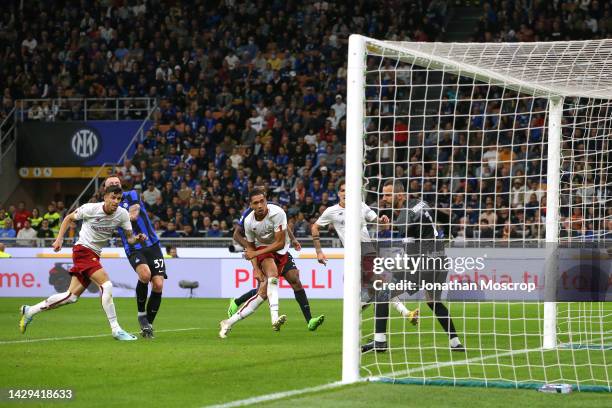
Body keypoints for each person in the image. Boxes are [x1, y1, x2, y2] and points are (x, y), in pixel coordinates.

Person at [19, 184, 146, 340]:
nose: (116, 201)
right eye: (113, 198)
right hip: (83, 250)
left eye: (119, 199)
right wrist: (59, 239)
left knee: (70, 297)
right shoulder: (91, 209)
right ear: (105, 197)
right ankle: (116, 329)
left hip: (94, 254)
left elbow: (130, 239)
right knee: (107, 285)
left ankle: (30, 311)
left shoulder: (122, 215)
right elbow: (68, 218)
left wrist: (137, 239)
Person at [361, 180, 464, 353]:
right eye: (383, 194)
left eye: (387, 194)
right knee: (433, 302)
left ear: (400, 195)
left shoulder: (405, 215)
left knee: (382, 293)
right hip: (440, 261)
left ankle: (379, 342)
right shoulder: (420, 203)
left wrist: (387, 228)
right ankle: (456, 342)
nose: (384, 198)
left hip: (423, 264)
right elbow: (444, 217)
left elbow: (407, 237)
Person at [219, 189, 324, 338]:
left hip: (280, 249)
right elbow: (249, 245)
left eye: (262, 201)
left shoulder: (277, 211)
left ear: (266, 200)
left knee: (271, 290)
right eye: (256, 203)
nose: (260, 205)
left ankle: (228, 322)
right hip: (263, 250)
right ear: (251, 205)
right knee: (272, 276)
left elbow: (281, 242)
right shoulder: (248, 220)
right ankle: (275, 318)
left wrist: (293, 240)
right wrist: (255, 268)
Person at [311, 179, 419, 322]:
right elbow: (314, 227)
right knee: (375, 289)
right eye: (343, 190)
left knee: (379, 285)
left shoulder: (361, 206)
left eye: (348, 190)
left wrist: (383, 220)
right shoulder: (331, 211)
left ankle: (405, 314)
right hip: (351, 254)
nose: (345, 193)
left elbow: (377, 221)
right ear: (338, 193)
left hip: (366, 249)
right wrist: (319, 251)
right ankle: (403, 314)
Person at [104, 176, 166, 339]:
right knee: (145, 275)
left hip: (152, 243)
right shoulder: (106, 208)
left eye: (117, 183)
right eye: (111, 184)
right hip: (133, 246)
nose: (115, 185)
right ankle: (141, 314)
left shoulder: (131, 195)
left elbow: (134, 214)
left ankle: (148, 325)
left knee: (158, 284)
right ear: (106, 190)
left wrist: (118, 217)